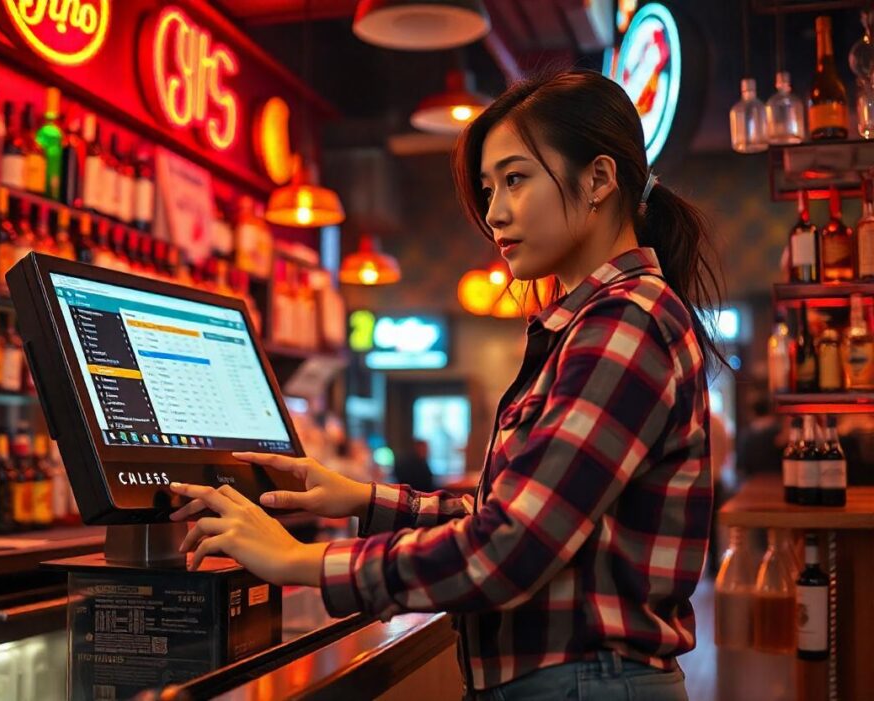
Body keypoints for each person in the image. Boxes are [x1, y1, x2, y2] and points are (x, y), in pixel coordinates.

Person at [168, 68, 719, 701]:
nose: (494, 213)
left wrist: (298, 561)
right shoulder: (600, 321)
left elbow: (511, 547)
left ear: (597, 179)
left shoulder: (625, 322)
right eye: (489, 189)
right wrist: (358, 498)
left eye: (515, 179)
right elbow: (513, 514)